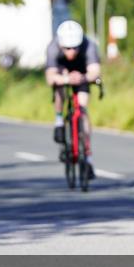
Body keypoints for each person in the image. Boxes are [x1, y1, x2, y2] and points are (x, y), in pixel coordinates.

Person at [45, 20, 101, 179]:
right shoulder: (53, 47)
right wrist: (65, 79)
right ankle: (58, 121)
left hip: (81, 72)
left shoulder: (89, 45)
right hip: (62, 72)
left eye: (75, 47)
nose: (72, 51)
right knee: (59, 89)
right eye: (68, 48)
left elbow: (95, 71)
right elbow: (50, 77)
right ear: (61, 45)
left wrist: (83, 77)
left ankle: (88, 157)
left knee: (82, 108)